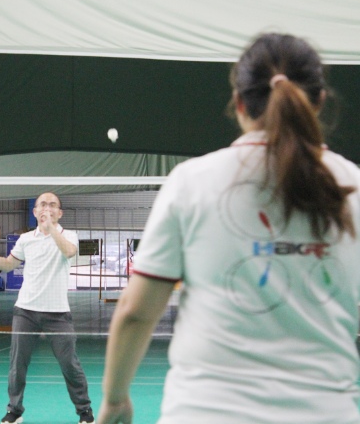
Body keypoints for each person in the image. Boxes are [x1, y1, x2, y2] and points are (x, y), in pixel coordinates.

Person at [98, 33, 360, 424]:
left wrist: (115, 399)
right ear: (319, 101)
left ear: (239, 104)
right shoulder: (353, 185)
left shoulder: (191, 181)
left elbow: (136, 312)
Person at [0, 192, 95, 424]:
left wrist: (51, 228)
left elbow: (69, 252)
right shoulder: (25, 239)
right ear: (34, 212)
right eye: (42, 204)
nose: (47, 208)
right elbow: (7, 264)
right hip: (26, 311)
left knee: (70, 364)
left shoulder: (70, 236)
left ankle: (85, 412)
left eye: (52, 205)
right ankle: (14, 411)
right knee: (17, 364)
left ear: (59, 213)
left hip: (58, 314)